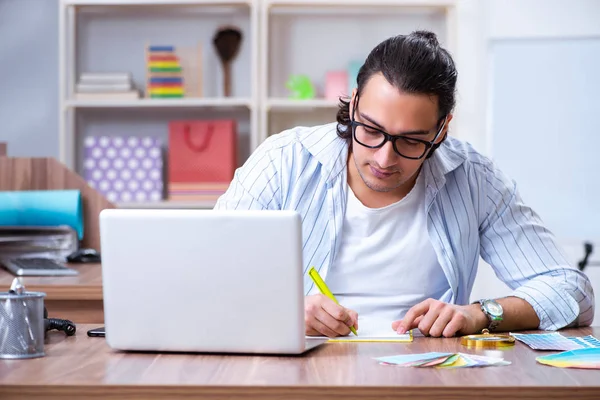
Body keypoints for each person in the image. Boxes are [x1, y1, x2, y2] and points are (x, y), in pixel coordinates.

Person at [214, 30, 594, 338]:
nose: (383, 159)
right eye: (372, 130)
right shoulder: (286, 160)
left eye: (411, 140)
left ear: (443, 129)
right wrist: (283, 309)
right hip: (304, 374)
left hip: (425, 377)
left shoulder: (473, 177)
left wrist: (480, 314)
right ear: (353, 104)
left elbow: (572, 292)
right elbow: (207, 273)